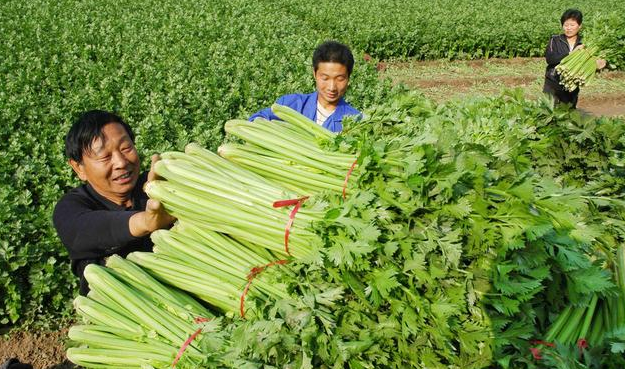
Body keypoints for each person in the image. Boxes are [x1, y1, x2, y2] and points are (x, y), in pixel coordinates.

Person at [53, 110, 175, 295]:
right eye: (104, 157)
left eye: (126, 148)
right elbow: (90, 229)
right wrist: (146, 221)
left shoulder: (156, 185)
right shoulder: (71, 208)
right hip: (124, 315)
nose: (120, 162)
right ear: (79, 168)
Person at [249, 41, 361, 132]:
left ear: (348, 77)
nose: (332, 87)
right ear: (314, 74)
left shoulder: (355, 121)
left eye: (340, 79)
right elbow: (255, 121)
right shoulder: (292, 104)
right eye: (325, 78)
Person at [543, 8, 607, 108]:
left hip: (571, 86)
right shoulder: (555, 40)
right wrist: (571, 53)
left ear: (579, 26)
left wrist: (600, 65)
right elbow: (550, 59)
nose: (569, 28)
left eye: (572, 25)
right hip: (553, 84)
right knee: (548, 114)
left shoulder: (586, 43)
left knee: (568, 116)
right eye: (566, 25)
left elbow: (594, 63)